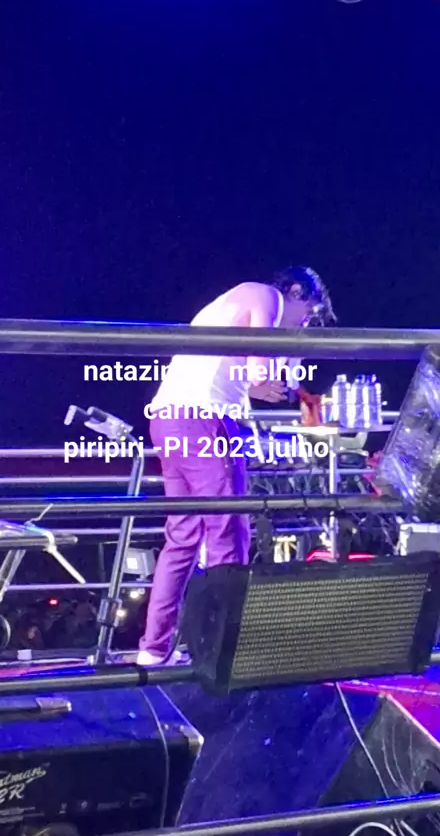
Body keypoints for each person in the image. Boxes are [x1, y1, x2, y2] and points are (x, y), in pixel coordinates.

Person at [137, 265, 335, 665]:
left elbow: (254, 381)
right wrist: (288, 354)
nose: (305, 323)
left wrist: (274, 370)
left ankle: (154, 649)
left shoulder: (233, 303)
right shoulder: (267, 297)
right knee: (227, 527)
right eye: (308, 313)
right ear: (296, 292)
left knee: (185, 535)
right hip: (205, 418)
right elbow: (262, 372)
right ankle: (222, 650)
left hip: (171, 416)